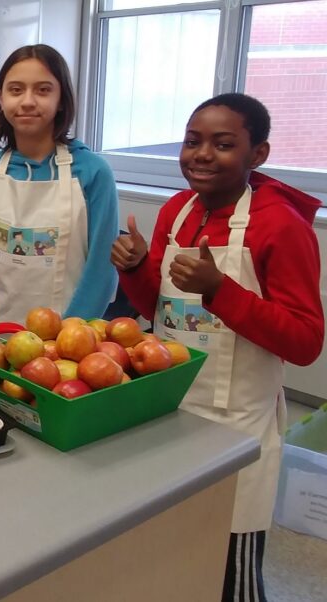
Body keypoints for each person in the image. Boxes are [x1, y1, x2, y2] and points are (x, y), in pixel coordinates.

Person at [111, 93, 324, 602]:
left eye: (223, 144)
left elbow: (304, 342)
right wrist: (137, 268)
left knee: (230, 567)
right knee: (174, 549)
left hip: (237, 425)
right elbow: (158, 309)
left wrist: (222, 292)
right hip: (169, 408)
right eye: (192, 141)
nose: (201, 154)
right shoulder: (176, 212)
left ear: (258, 154)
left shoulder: (281, 226)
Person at [0, 44, 119, 333]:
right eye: (16, 90)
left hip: (72, 346)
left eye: (43, 90)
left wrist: (68, 337)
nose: (28, 101)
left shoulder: (93, 173)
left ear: (61, 99)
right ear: (1, 97)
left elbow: (101, 272)